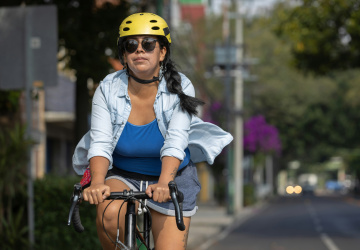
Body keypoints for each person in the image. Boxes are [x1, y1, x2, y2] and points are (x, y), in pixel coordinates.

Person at [72, 12, 233, 250]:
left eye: (148, 44)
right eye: (131, 45)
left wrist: (164, 183)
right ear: (123, 55)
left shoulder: (180, 86)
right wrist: (97, 183)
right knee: (108, 214)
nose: (139, 50)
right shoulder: (107, 88)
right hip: (123, 173)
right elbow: (101, 142)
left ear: (162, 52)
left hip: (171, 177)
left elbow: (176, 141)